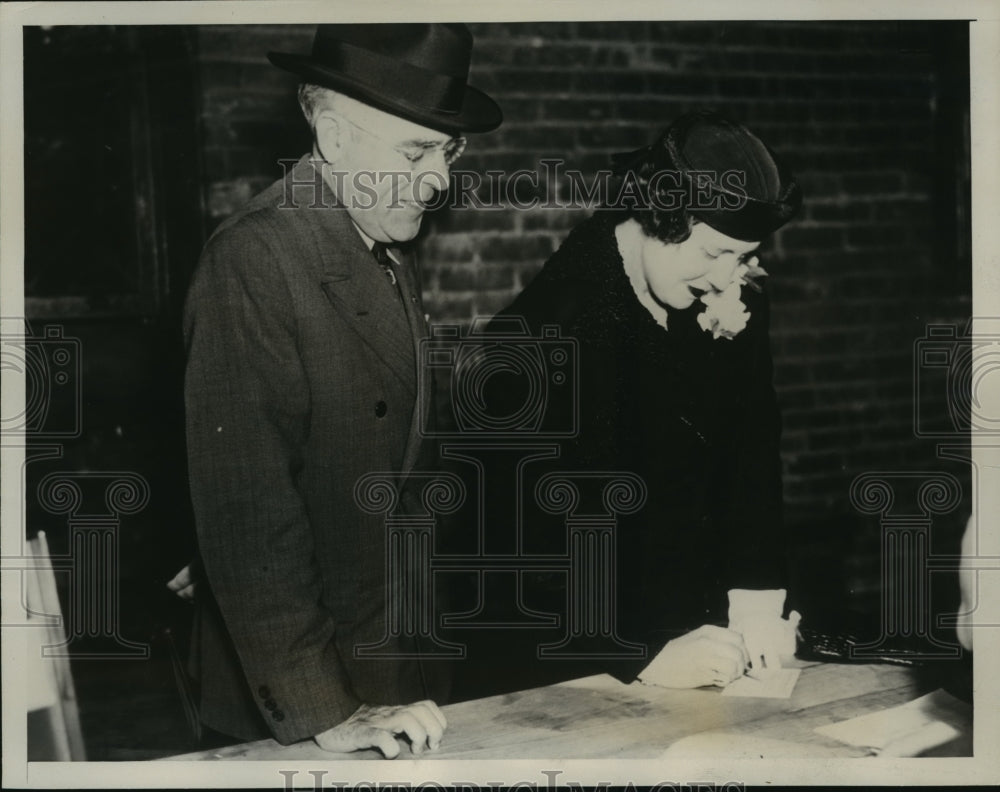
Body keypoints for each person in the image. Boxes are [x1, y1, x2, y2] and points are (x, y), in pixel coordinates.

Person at [178, 23, 500, 756]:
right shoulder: (255, 259)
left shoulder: (374, 238)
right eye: (415, 151)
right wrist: (326, 712)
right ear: (333, 137)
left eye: (446, 151)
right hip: (309, 703)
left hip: (391, 664)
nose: (439, 178)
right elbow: (251, 515)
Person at [465, 111, 801, 693]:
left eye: (743, 257)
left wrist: (755, 599)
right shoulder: (540, 337)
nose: (728, 281)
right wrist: (638, 653)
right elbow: (516, 551)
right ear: (660, 216)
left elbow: (753, 450)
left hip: (701, 640)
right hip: (567, 657)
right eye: (716, 252)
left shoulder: (730, 292)